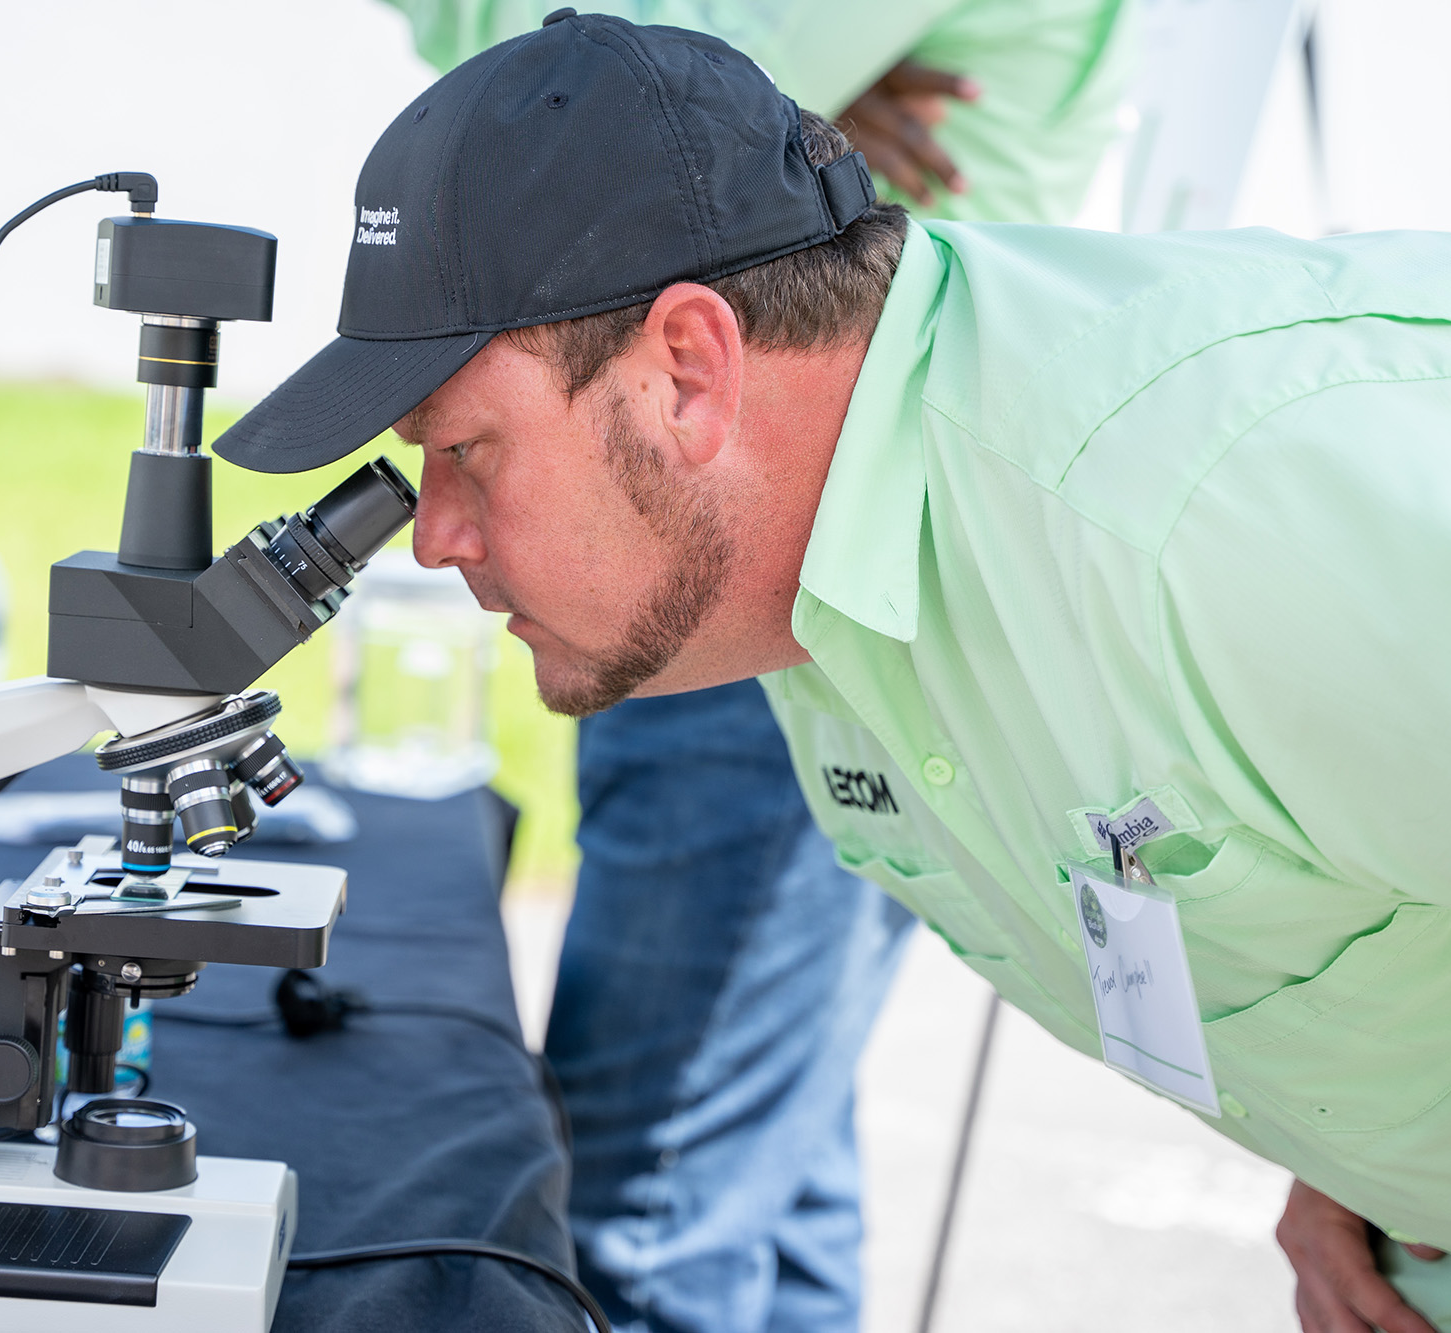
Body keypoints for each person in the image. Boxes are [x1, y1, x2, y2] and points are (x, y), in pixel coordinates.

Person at [216, 15, 1451, 1333]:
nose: (434, 536)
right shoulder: (799, 564)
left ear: (689, 372)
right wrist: (1358, 1156)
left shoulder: (1212, 518)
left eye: (468, 450)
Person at [370, 3, 1131, 1328]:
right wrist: (804, 134)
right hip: (782, 526)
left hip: (765, 534)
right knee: (769, 1167)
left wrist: (780, 133)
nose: (438, 535)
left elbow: (631, 99)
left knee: (646, 1200)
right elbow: (655, 97)